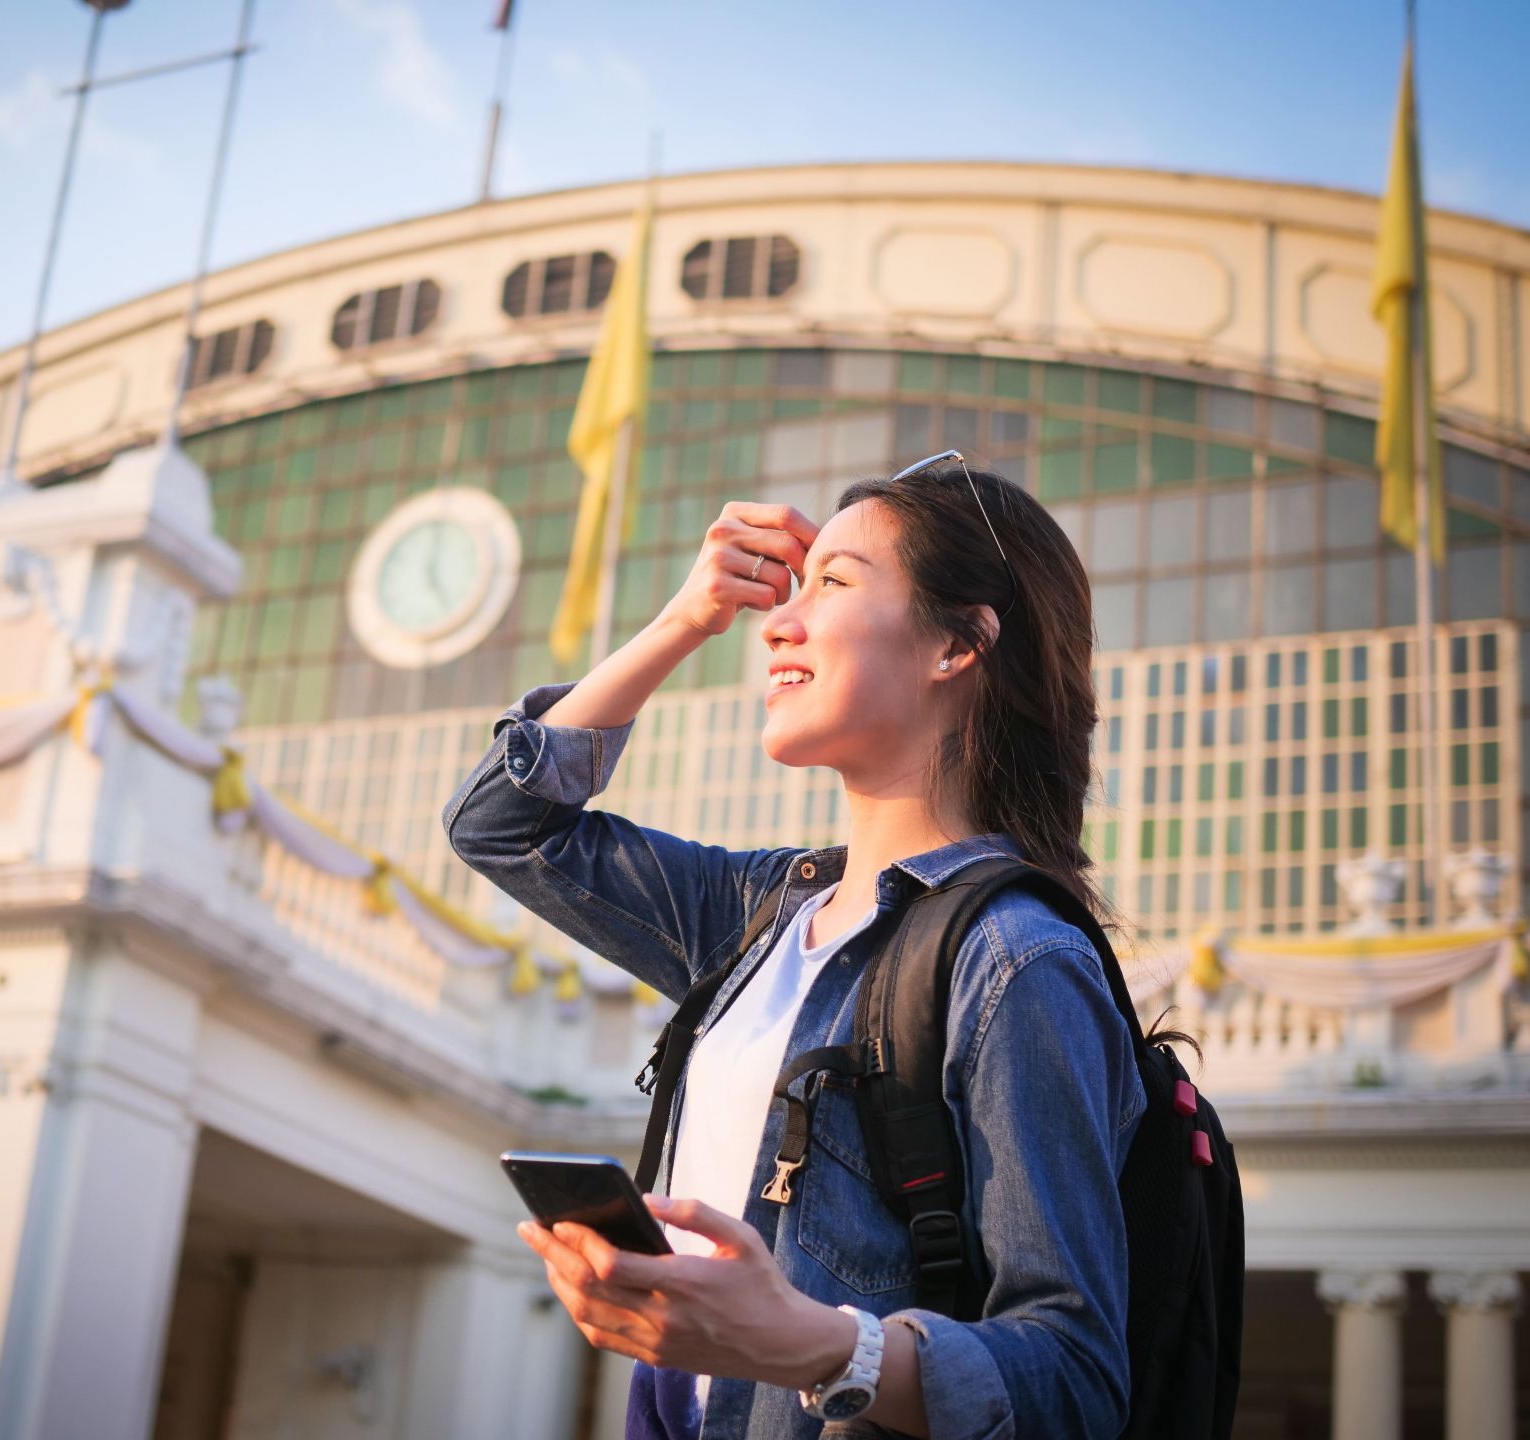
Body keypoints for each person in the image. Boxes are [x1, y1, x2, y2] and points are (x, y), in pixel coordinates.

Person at [444, 452, 1145, 1439]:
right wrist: (682, 618)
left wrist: (820, 1346)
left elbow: (1074, 1381)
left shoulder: (1017, 962)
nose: (776, 621)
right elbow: (502, 827)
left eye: (836, 583)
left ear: (958, 644)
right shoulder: (758, 914)